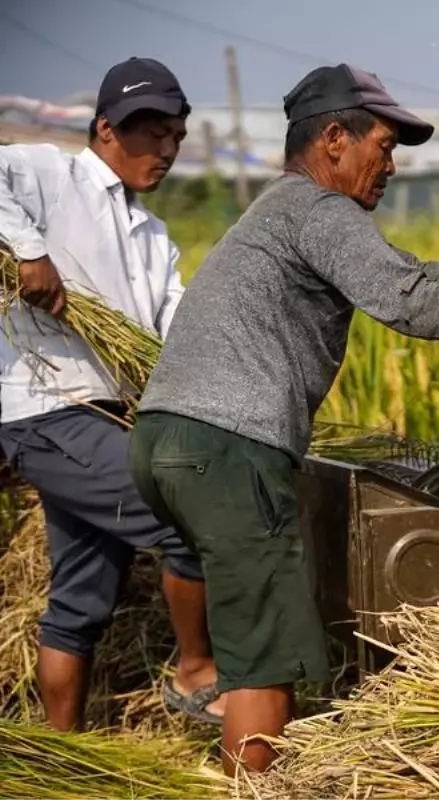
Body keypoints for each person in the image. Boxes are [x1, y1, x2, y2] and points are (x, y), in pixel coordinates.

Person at [127, 63, 439, 776]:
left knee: (245, 617)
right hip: (229, 448)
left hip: (165, 438)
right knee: (264, 655)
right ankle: (257, 790)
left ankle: (210, 704)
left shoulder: (287, 211)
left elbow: (404, 270)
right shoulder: (321, 211)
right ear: (333, 138)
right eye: (384, 144)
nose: (392, 164)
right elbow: (406, 302)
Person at [0, 58, 224, 730]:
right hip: (48, 411)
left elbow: (173, 329)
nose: (164, 149)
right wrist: (28, 250)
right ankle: (195, 670)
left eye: (175, 136)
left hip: (110, 418)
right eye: (149, 132)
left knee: (80, 601)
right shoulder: (51, 174)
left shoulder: (154, 236)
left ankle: (61, 757)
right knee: (190, 514)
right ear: (105, 129)